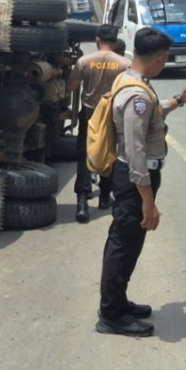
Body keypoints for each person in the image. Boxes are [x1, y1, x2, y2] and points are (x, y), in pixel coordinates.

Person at [96, 27, 186, 337]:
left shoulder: (132, 81)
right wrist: (148, 201)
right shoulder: (136, 95)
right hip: (133, 179)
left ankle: (118, 301)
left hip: (134, 177)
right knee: (123, 245)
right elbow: (135, 150)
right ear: (157, 57)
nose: (164, 63)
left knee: (129, 244)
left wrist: (182, 98)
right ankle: (111, 315)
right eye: (165, 58)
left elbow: (153, 114)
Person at [67, 25, 130, 222]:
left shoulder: (84, 61)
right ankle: (104, 197)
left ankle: (82, 203)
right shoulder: (124, 64)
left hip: (90, 113)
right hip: (113, 113)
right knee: (109, 154)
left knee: (85, 155)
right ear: (114, 41)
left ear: (97, 40)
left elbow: (71, 87)